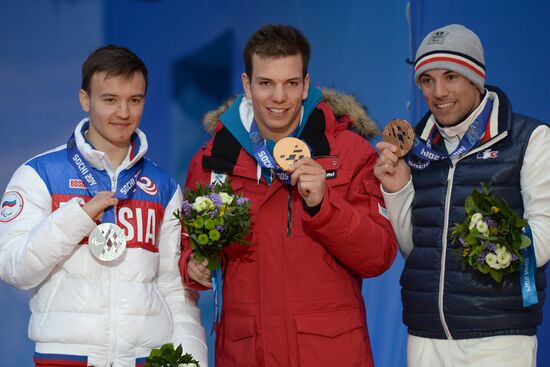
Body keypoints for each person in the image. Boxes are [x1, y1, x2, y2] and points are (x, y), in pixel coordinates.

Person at [179, 24, 397, 367]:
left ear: (306, 85)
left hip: (329, 355)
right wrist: (193, 265)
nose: (279, 97)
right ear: (247, 85)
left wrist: (326, 205)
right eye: (266, 83)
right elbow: (186, 245)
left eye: (291, 84)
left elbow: (378, 255)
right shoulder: (213, 159)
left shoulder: (349, 153)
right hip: (247, 353)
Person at [0, 45, 207, 367]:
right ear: (85, 99)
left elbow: (173, 287)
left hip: (145, 358)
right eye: (110, 100)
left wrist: (189, 361)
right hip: (66, 357)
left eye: (134, 100)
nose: (123, 113)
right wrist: (78, 218)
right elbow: (13, 269)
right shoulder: (40, 174)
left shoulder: (163, 186)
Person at [375, 24, 549, 367]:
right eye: (427, 80)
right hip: (425, 337)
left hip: (498, 337)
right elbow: (415, 247)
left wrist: (487, 238)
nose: (438, 92)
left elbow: (543, 240)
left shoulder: (530, 139)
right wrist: (397, 190)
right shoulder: (417, 148)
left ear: (475, 78)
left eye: (451, 77)